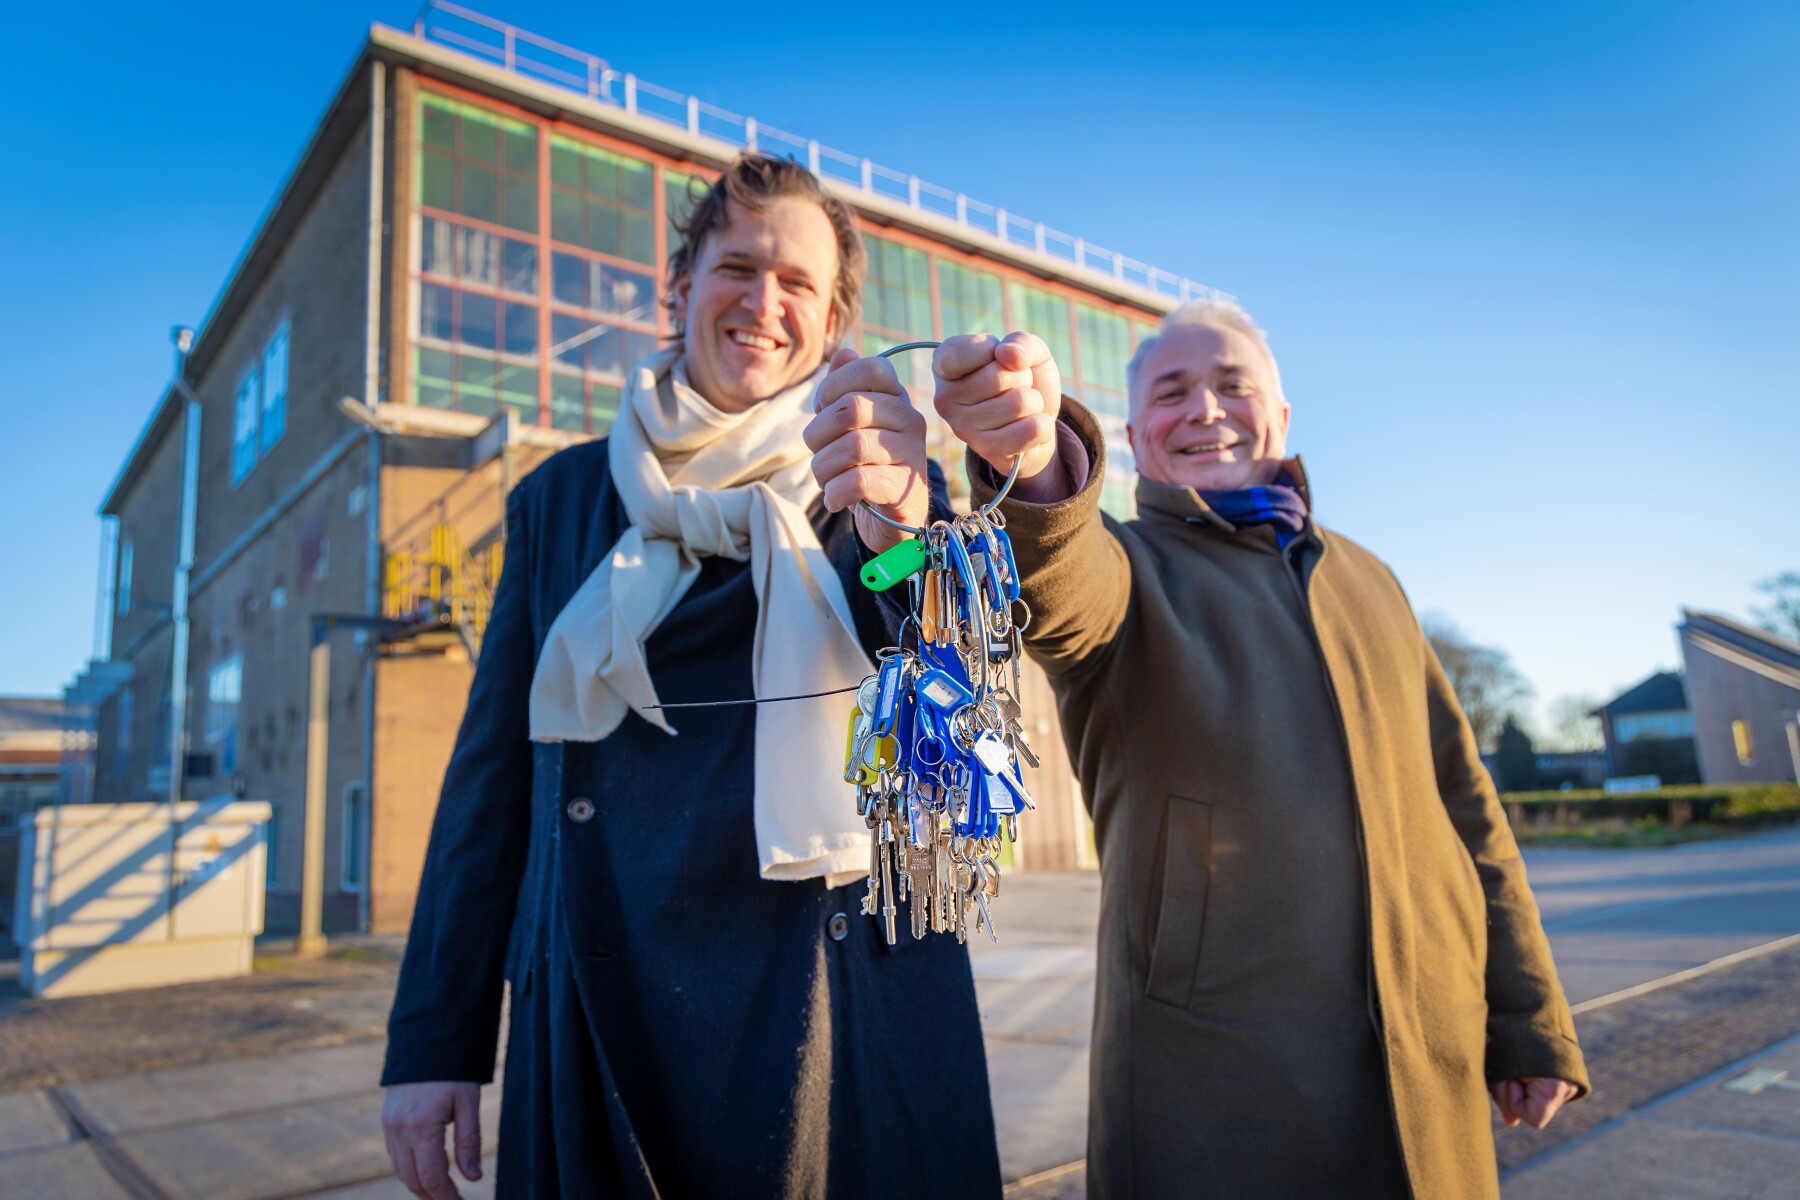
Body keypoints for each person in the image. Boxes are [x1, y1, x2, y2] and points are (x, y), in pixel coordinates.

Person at [815, 302, 1589, 1198]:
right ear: (1137, 438)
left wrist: (1531, 1018)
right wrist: (1031, 465)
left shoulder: (1374, 582)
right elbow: (1066, 584)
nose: (1207, 409)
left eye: (1232, 384)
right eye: (1174, 393)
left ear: (1284, 416)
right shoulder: (1131, 569)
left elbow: (1467, 808)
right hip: (1214, 1099)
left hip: (1433, 1065)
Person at [379, 153, 1001, 1200]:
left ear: (835, 323)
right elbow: (491, 780)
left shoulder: (879, 482)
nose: (764, 301)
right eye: (738, 267)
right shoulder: (561, 500)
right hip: (601, 983)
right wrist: (433, 1037)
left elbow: (932, 656)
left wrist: (902, 530)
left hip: (823, 994)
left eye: (798, 282)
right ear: (682, 288)